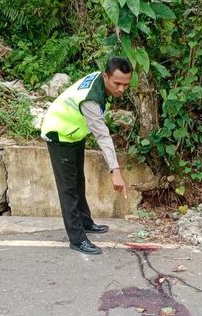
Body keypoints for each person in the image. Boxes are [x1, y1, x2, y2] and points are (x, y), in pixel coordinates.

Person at [40, 57, 132, 255]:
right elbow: (102, 135)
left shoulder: (100, 81)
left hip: (74, 133)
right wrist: (115, 170)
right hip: (59, 133)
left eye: (126, 84)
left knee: (79, 181)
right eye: (117, 83)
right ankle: (77, 239)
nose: (121, 89)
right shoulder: (91, 98)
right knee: (68, 188)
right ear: (106, 76)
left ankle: (86, 222)